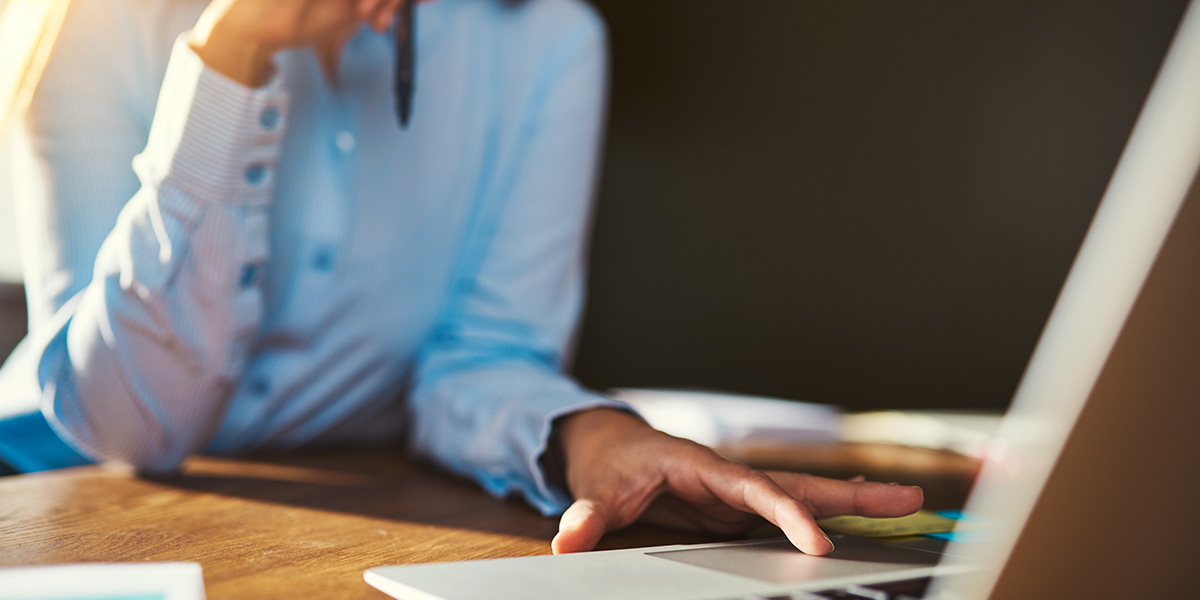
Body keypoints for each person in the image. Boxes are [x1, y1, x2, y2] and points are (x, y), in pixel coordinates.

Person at [0, 0, 922, 555]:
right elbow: (131, 425)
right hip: (59, 499)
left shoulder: (546, 42)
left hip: (363, 514)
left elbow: (480, 356)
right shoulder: (92, 27)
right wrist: (230, 61)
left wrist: (586, 436)